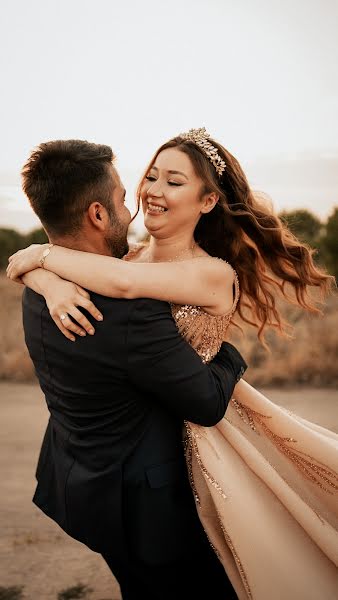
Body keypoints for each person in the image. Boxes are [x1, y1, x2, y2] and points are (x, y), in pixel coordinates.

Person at [8, 129, 338, 599]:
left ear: (207, 202)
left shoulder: (210, 272)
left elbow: (122, 286)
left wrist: (38, 257)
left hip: (204, 441)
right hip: (151, 463)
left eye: (174, 182)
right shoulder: (132, 258)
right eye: (152, 176)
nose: (153, 191)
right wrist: (46, 278)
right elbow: (113, 278)